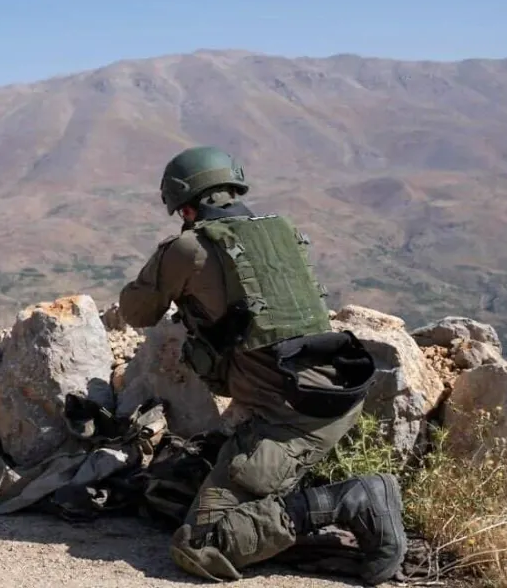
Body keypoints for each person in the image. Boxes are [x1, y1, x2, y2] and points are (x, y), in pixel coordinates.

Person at [117, 146, 406, 584]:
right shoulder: (279, 231)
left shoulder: (189, 248)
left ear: (186, 206)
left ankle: (353, 499)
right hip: (330, 390)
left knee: (201, 544)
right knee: (188, 488)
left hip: (289, 420)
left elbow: (137, 312)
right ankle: (286, 493)